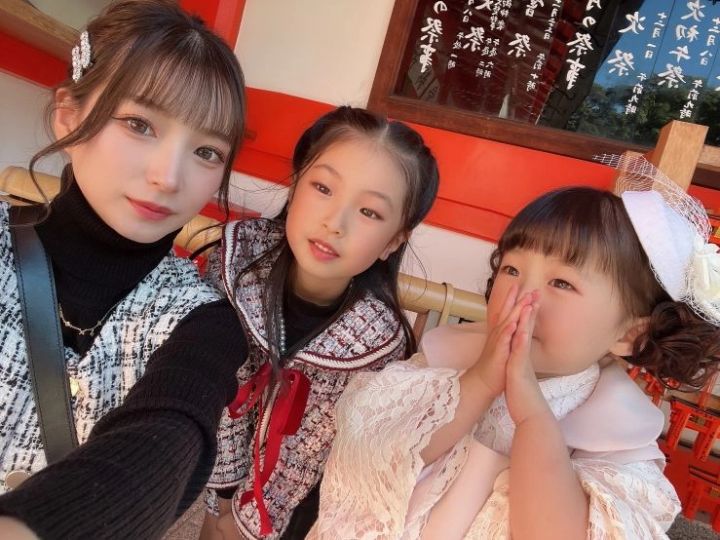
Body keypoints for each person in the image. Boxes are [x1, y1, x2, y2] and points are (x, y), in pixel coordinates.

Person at [310, 156, 720, 539]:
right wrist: (480, 381)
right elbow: (377, 453)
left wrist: (533, 418)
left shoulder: (616, 438)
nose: (523, 294)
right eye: (511, 269)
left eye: (561, 283)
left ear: (629, 335)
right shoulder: (447, 364)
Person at [0, 1, 247, 538]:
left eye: (207, 152)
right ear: (69, 115)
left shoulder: (205, 323)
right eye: (139, 124)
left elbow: (166, 441)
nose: (168, 176)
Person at [199, 106, 440, 540]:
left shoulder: (375, 347)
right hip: (206, 461)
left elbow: (309, 460)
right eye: (323, 187)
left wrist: (242, 521)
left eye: (369, 212)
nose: (335, 222)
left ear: (394, 241)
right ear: (295, 185)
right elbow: (217, 393)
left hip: (295, 511)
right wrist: (221, 500)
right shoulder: (235, 266)